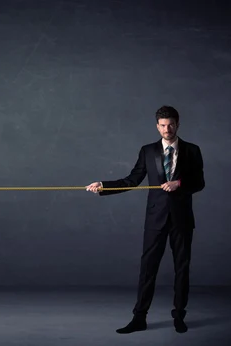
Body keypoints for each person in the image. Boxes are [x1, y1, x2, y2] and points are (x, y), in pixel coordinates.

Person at [86, 105, 205, 334]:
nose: (167, 129)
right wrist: (104, 185)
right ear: (157, 126)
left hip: (181, 219)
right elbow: (132, 180)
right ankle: (139, 318)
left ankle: (179, 316)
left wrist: (178, 184)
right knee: (148, 268)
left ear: (177, 124)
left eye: (170, 124)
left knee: (182, 268)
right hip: (155, 219)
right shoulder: (148, 151)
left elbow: (199, 182)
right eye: (162, 125)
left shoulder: (192, 150)